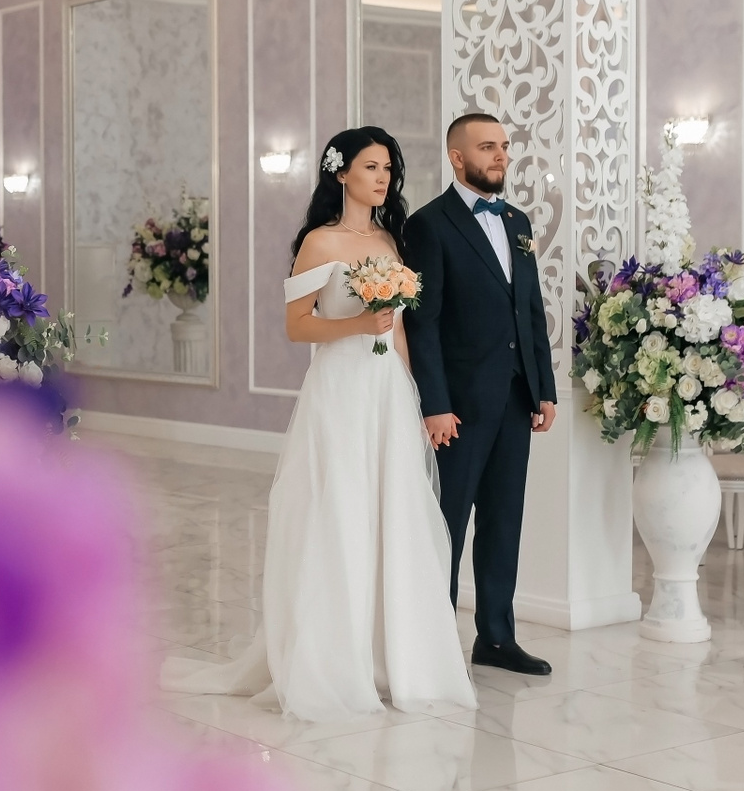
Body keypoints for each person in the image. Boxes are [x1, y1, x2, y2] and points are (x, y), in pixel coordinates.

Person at [164, 127, 476, 720]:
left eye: (388, 168)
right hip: (340, 389)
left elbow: (400, 330)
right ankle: (335, 661)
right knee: (342, 511)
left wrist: (419, 397)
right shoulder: (319, 242)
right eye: (371, 166)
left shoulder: (390, 239)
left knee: (394, 511)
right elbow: (297, 325)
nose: (383, 177)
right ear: (341, 173)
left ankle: (396, 658)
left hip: (386, 389)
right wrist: (359, 324)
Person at [403, 112, 556, 677]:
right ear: (457, 157)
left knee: (503, 521)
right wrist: (435, 404)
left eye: (504, 146)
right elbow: (423, 324)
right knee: (446, 523)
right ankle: (433, 641)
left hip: (515, 399)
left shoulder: (517, 220)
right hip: (459, 407)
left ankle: (495, 637)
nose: (500, 156)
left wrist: (543, 388)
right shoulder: (429, 225)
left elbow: (531, 310)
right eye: (487, 147)